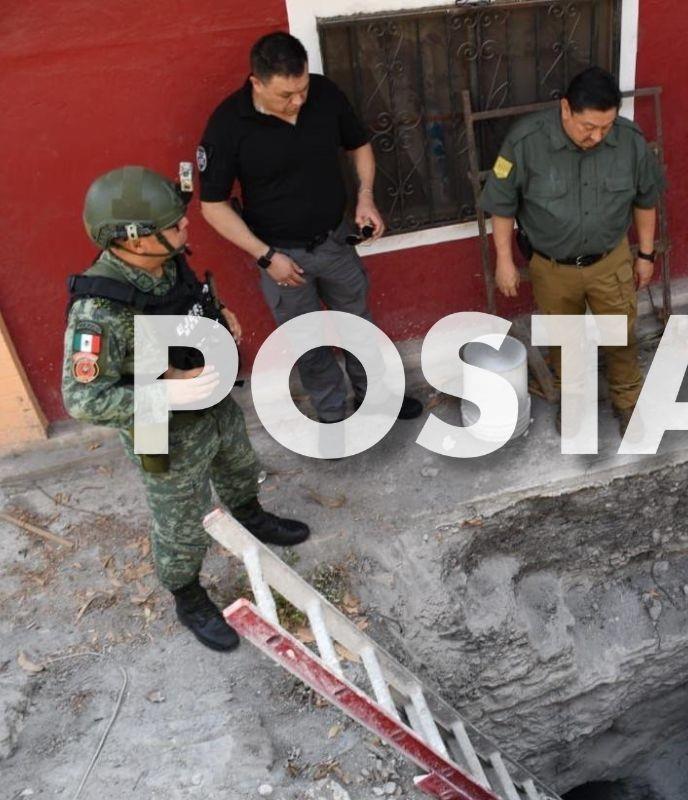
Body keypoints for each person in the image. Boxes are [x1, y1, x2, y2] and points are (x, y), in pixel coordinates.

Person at [64, 165, 311, 652]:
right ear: (133, 240)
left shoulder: (165, 260)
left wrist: (220, 318)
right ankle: (188, 594)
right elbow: (82, 399)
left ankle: (250, 516)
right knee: (182, 520)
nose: (186, 228)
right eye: (174, 224)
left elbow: (185, 307)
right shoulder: (98, 309)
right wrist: (170, 392)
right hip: (160, 425)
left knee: (240, 464)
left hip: (211, 399)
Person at [198, 31, 421, 424]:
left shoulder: (324, 94)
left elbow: (360, 145)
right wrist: (265, 257)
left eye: (301, 88)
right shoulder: (228, 124)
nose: (298, 100)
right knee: (307, 341)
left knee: (359, 326)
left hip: (335, 242)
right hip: (281, 256)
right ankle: (332, 412)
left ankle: (377, 400)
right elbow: (212, 206)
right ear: (256, 83)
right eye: (286, 95)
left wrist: (365, 197)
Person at [480, 66, 664, 434]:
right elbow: (501, 206)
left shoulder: (629, 141)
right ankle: (576, 404)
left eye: (606, 127)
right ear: (566, 109)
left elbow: (646, 199)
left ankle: (627, 401)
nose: (597, 136)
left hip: (609, 262)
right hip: (552, 268)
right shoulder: (525, 142)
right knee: (565, 341)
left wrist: (645, 254)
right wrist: (504, 260)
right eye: (588, 127)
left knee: (621, 336)